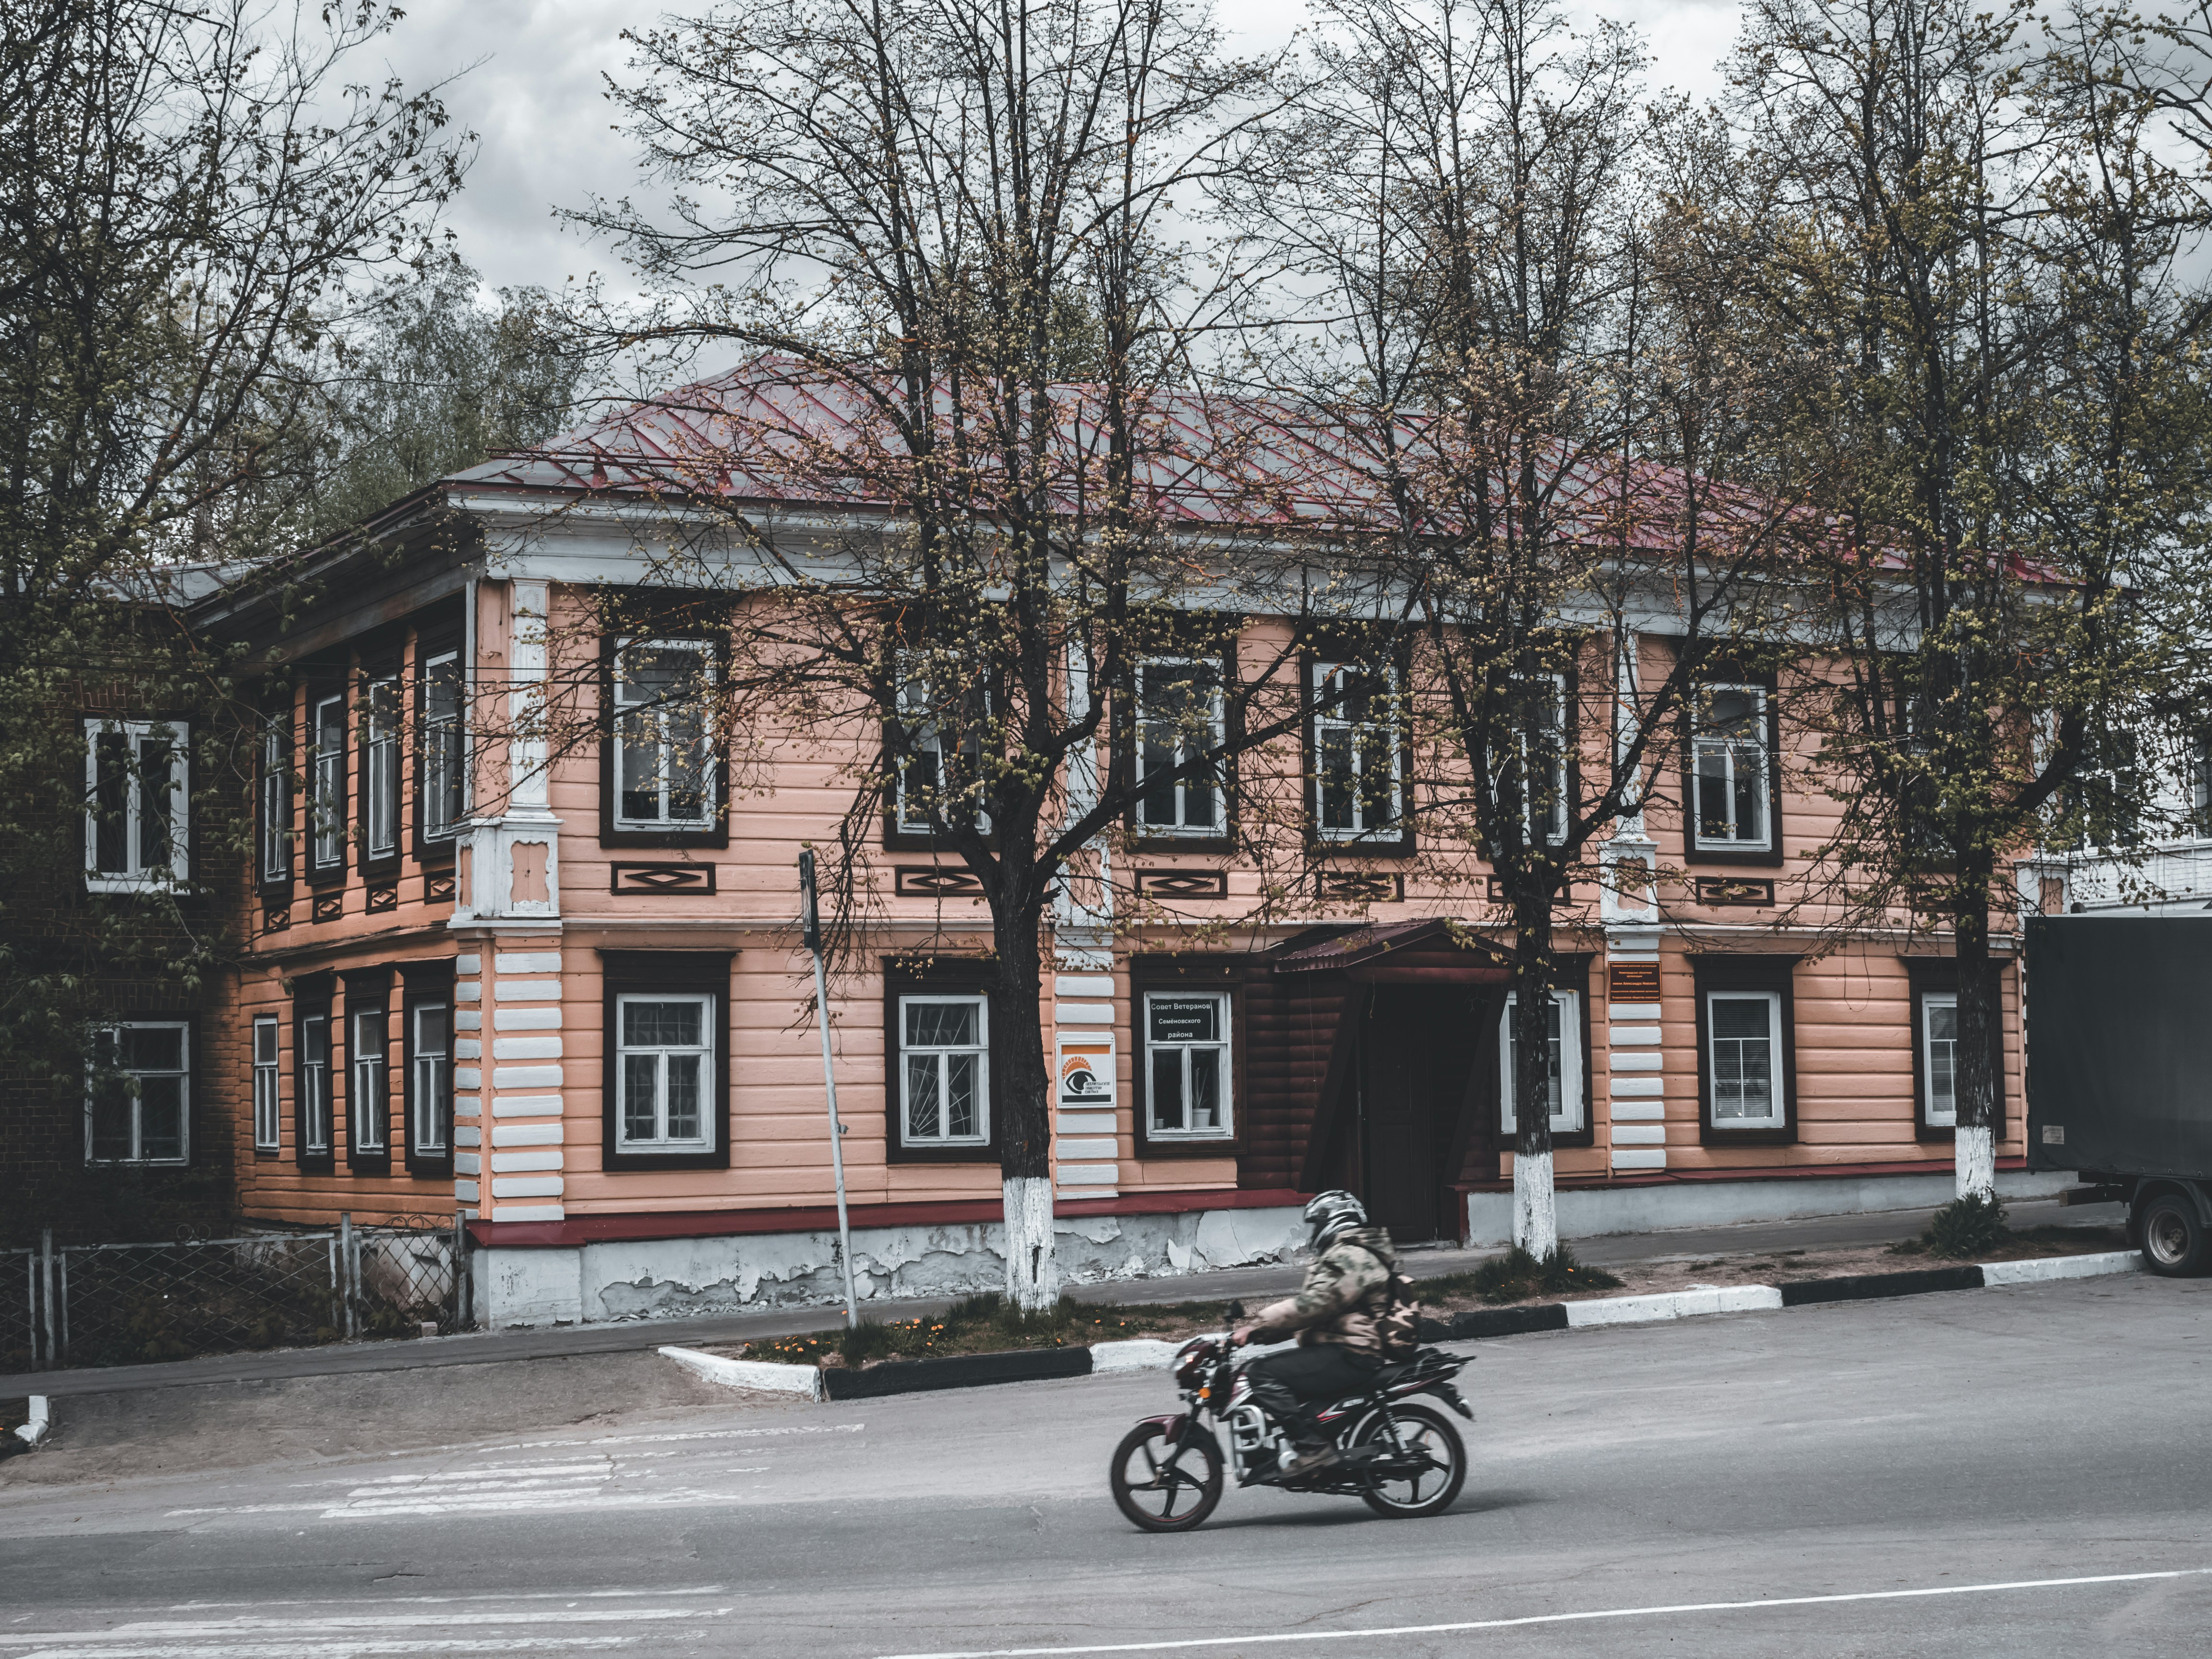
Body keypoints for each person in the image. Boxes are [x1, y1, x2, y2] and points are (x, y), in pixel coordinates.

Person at [1232, 1189, 1401, 1479]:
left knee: (1261, 1373)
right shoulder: (1348, 1252)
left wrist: (1257, 1326)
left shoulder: (1350, 1255)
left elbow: (1314, 1306)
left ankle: (1314, 1449)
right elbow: (1312, 1316)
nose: (1314, 1233)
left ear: (1335, 1220)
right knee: (1273, 1371)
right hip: (1343, 1348)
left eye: (1317, 1224)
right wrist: (1260, 1335)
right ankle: (1297, 1443)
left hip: (1353, 1353)